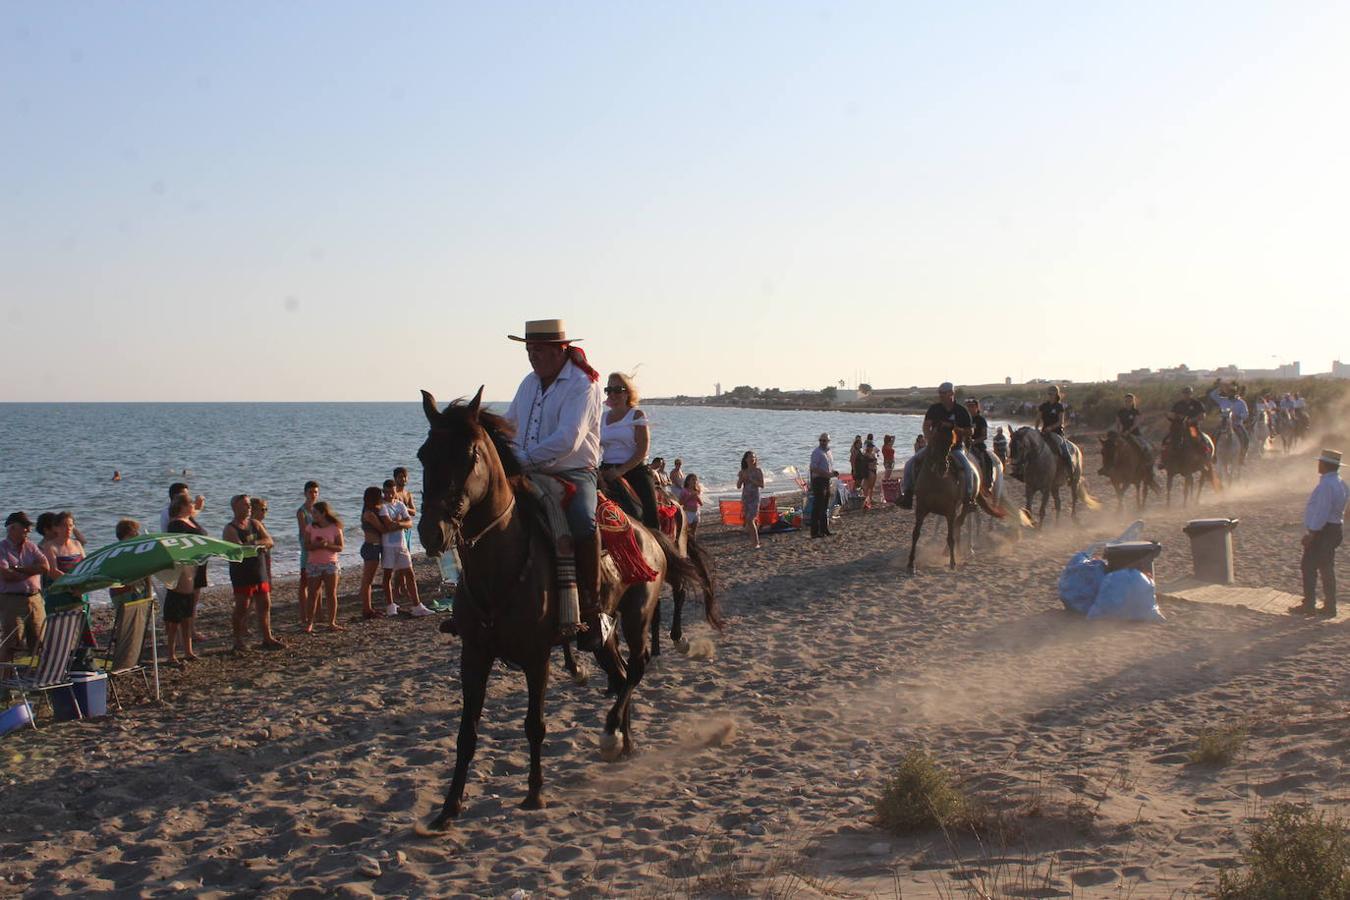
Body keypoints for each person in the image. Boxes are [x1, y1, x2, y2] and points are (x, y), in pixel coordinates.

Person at [503, 318, 606, 650]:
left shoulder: (583, 384)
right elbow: (509, 424)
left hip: (573, 471)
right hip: (527, 468)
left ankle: (591, 606)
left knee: (582, 522)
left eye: (540, 351)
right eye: (529, 350)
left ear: (561, 350)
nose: (533, 357)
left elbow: (568, 439)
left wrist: (522, 459)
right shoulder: (528, 383)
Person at [899, 383, 978, 511]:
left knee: (968, 468)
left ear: (951, 394)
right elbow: (926, 426)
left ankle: (968, 499)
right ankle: (907, 494)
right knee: (910, 463)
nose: (940, 396)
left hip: (955, 448)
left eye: (943, 393)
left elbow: (970, 432)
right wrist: (929, 438)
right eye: (940, 393)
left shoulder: (961, 411)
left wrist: (955, 428)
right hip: (935, 447)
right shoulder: (934, 409)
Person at [223, 494, 284, 651]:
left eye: (249, 505)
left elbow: (269, 541)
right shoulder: (230, 528)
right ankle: (237, 640)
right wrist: (254, 546)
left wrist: (255, 543)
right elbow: (238, 549)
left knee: (264, 604)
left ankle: (267, 637)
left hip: (259, 569)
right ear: (235, 508)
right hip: (242, 572)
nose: (249, 508)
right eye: (245, 505)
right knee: (242, 606)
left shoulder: (255, 524)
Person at [599, 372, 660, 528]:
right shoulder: (602, 418)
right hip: (606, 470)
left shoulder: (636, 415)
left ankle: (661, 546)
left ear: (627, 392)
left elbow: (642, 450)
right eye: (609, 390)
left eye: (617, 390)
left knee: (650, 518)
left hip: (635, 470)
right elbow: (593, 446)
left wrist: (620, 471)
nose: (612, 394)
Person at [1292, 450, 1348, 617]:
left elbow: (1322, 511)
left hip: (1323, 531)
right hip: (1334, 528)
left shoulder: (1326, 485)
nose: (1318, 465)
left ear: (1324, 464)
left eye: (1320, 462)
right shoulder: (1341, 483)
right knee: (1326, 567)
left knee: (1308, 566)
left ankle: (1310, 604)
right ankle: (1330, 605)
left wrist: (1313, 533)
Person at [0, 512, 50, 663]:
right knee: (11, 642)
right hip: (12, 601)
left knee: (40, 641)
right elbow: (7, 576)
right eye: (25, 527)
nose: (28, 531)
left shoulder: (31, 546)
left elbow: (45, 567)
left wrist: (19, 569)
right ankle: (4, 682)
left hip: (35, 599)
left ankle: (38, 679)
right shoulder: (2, 548)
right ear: (12, 528)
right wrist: (32, 570)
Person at [164, 494, 206, 664]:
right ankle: (171, 653)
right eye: (190, 503)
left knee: (189, 613)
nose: (193, 505)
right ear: (182, 506)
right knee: (175, 616)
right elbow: (177, 547)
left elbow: (196, 515)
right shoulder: (175, 523)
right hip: (181, 572)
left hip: (195, 569)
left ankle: (188, 650)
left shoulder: (190, 519)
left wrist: (199, 505)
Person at [380, 479, 431, 617]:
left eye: (392, 492)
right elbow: (388, 525)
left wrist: (398, 523)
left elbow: (409, 523)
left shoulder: (400, 504)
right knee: (388, 575)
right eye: (387, 492)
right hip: (388, 545)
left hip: (401, 544)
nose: (390, 495)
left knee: (409, 573)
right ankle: (390, 606)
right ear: (383, 492)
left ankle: (417, 605)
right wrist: (400, 522)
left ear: (395, 491)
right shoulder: (383, 506)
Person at [302, 501, 345, 632]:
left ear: (323, 513)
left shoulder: (335, 528)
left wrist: (327, 545)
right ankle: (309, 623)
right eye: (312, 512)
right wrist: (316, 545)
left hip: (330, 564)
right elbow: (306, 546)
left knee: (331, 593)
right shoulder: (311, 527)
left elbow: (340, 547)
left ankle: (331, 622)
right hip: (314, 564)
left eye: (315, 512)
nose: (313, 515)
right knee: (313, 594)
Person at [358, 486, 390, 619]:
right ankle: (366, 609)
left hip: (374, 546)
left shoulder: (372, 511)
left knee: (368, 580)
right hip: (371, 546)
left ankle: (368, 608)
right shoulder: (369, 514)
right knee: (367, 581)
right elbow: (382, 529)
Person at [1163, 386, 1208, 463]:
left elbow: (1203, 416)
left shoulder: (1197, 404)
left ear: (1191, 394)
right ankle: (1164, 460)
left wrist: (1192, 420)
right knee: (1167, 440)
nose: (1186, 395)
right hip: (1179, 427)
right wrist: (1173, 416)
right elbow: (1172, 414)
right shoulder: (1178, 404)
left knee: (1198, 439)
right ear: (1182, 394)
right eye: (1185, 393)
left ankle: (1205, 457)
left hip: (1192, 427)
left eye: (1188, 393)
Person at [295, 481, 319, 612]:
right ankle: (304, 612)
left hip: (319, 549)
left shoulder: (319, 510)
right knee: (304, 581)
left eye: (315, 492)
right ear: (305, 493)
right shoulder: (302, 511)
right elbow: (304, 532)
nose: (313, 495)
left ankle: (318, 612)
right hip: (307, 549)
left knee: (318, 582)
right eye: (310, 492)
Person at [1036, 386, 1074, 467]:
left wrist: (1051, 428)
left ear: (1056, 394)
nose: (1050, 396)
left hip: (1057, 432)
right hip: (1044, 431)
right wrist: (1036, 429)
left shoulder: (1059, 406)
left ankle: (1070, 469)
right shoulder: (1043, 406)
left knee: (1064, 450)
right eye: (1049, 394)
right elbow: (1038, 419)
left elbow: (1061, 421)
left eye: (1052, 394)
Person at [809, 433, 837, 538]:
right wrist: (827, 474)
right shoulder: (817, 452)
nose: (822, 442)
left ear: (828, 441)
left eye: (824, 440)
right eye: (821, 440)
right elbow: (813, 468)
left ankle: (824, 530)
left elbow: (828, 467)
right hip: (818, 481)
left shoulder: (829, 452)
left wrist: (832, 473)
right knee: (817, 506)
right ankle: (815, 532)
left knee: (825, 506)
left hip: (826, 480)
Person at [964, 398, 994, 492]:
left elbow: (984, 436)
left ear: (977, 407)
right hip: (964, 445)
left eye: (972, 406)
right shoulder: (963, 419)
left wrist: (973, 442)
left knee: (988, 461)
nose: (970, 408)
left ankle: (987, 483)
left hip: (978, 445)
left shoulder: (981, 420)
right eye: (968, 406)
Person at [737, 451, 765, 548]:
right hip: (746, 496)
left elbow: (762, 485)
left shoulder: (758, 471)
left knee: (750, 519)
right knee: (748, 520)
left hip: (755, 496)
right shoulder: (743, 471)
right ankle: (753, 541)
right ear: (746, 459)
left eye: (754, 457)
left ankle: (756, 543)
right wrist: (741, 478)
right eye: (750, 457)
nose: (752, 459)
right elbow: (738, 486)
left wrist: (750, 479)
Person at [680, 473, 703, 538]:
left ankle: (693, 543)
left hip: (696, 512)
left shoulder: (697, 490)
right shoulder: (684, 490)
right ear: (688, 481)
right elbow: (680, 503)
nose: (695, 481)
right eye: (693, 479)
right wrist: (690, 496)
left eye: (696, 480)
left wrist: (697, 497)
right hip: (688, 512)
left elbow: (701, 504)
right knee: (687, 531)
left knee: (693, 531)